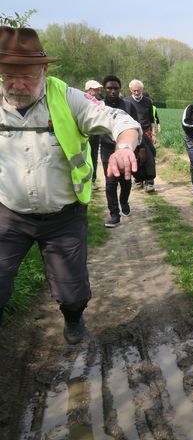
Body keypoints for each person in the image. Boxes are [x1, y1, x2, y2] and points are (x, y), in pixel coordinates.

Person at [0, 26, 141, 344]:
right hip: (9, 213)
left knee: (73, 293)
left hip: (63, 216)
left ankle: (74, 318)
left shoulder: (67, 98)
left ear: (44, 69)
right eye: (9, 75)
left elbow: (120, 120)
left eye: (28, 76)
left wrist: (124, 148)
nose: (17, 85)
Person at [100, 75, 139, 227]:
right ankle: (114, 214)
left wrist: (140, 148)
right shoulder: (100, 107)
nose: (112, 91)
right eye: (109, 88)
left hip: (125, 148)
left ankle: (124, 202)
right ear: (105, 89)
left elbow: (136, 127)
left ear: (120, 89)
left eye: (115, 88)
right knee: (110, 183)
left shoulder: (128, 106)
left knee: (126, 181)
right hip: (107, 148)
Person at [125, 79, 157, 192]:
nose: (136, 93)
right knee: (136, 156)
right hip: (132, 131)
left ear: (142, 90)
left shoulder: (148, 101)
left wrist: (153, 133)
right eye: (134, 91)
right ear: (130, 90)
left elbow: (151, 119)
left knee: (150, 155)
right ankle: (138, 179)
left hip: (146, 130)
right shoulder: (126, 102)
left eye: (138, 91)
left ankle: (149, 182)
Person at [84, 79, 103, 190]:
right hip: (82, 133)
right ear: (89, 90)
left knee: (93, 156)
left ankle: (93, 179)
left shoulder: (100, 101)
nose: (99, 91)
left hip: (95, 133)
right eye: (96, 89)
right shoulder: (80, 100)